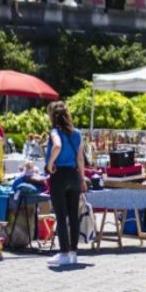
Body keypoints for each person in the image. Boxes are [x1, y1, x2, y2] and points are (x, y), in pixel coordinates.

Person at [44, 100, 86, 267]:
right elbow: (80, 159)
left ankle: (63, 252)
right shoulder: (77, 134)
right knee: (73, 215)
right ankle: (74, 253)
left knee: (61, 216)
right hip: (74, 175)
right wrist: (82, 179)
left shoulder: (55, 132)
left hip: (59, 175)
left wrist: (49, 164)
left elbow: (57, 146)